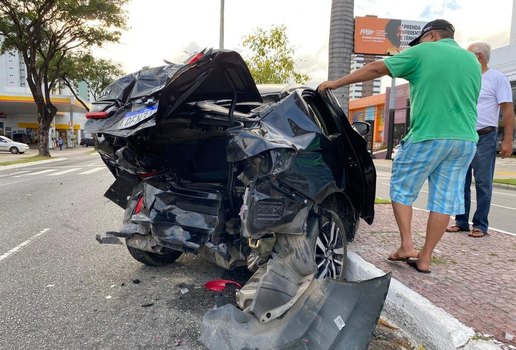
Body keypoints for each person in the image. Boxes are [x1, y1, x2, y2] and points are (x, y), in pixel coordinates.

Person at [318, 19, 481, 273]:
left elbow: (375, 68)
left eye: (421, 40)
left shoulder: (425, 50)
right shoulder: (472, 60)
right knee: (444, 200)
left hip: (429, 134)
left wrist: (335, 84)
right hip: (465, 140)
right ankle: (425, 258)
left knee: (402, 189)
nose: (419, 45)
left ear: (433, 36)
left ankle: (406, 245)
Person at [446, 42, 515, 238]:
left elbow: (508, 112)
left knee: (483, 182)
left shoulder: (497, 79)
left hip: (485, 137)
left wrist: (507, 140)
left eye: (468, 55)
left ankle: (480, 224)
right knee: (460, 181)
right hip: (463, 136)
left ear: (478, 57)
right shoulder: (464, 78)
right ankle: (461, 221)